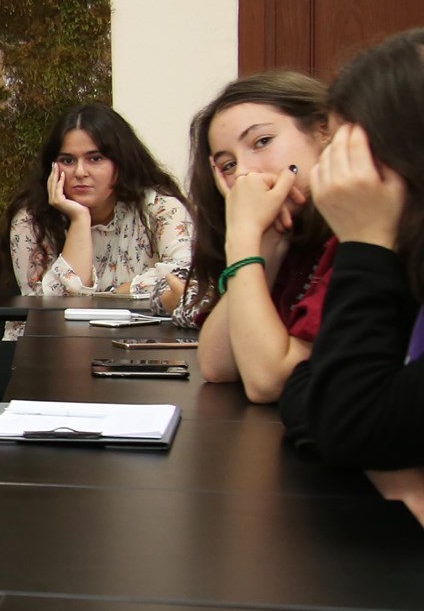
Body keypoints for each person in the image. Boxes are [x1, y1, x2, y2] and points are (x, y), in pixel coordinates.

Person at [280, 28, 424, 519]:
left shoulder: (376, 244)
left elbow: (348, 417)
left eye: (353, 159)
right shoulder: (406, 254)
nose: (336, 181)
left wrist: (365, 243)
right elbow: (307, 388)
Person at [175, 74, 336, 403]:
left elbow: (269, 382)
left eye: (262, 141)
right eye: (228, 165)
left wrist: (244, 236)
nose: (244, 173)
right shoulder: (288, 235)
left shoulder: (357, 231)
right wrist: (263, 241)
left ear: (323, 130)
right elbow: (218, 366)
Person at [0, 104, 192, 317]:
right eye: (67, 160)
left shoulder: (159, 206)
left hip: (135, 336)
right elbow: (50, 310)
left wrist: (121, 291)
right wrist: (79, 220)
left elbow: (187, 276)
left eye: (95, 158)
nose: (80, 172)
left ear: (121, 162)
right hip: (48, 336)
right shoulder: (30, 220)